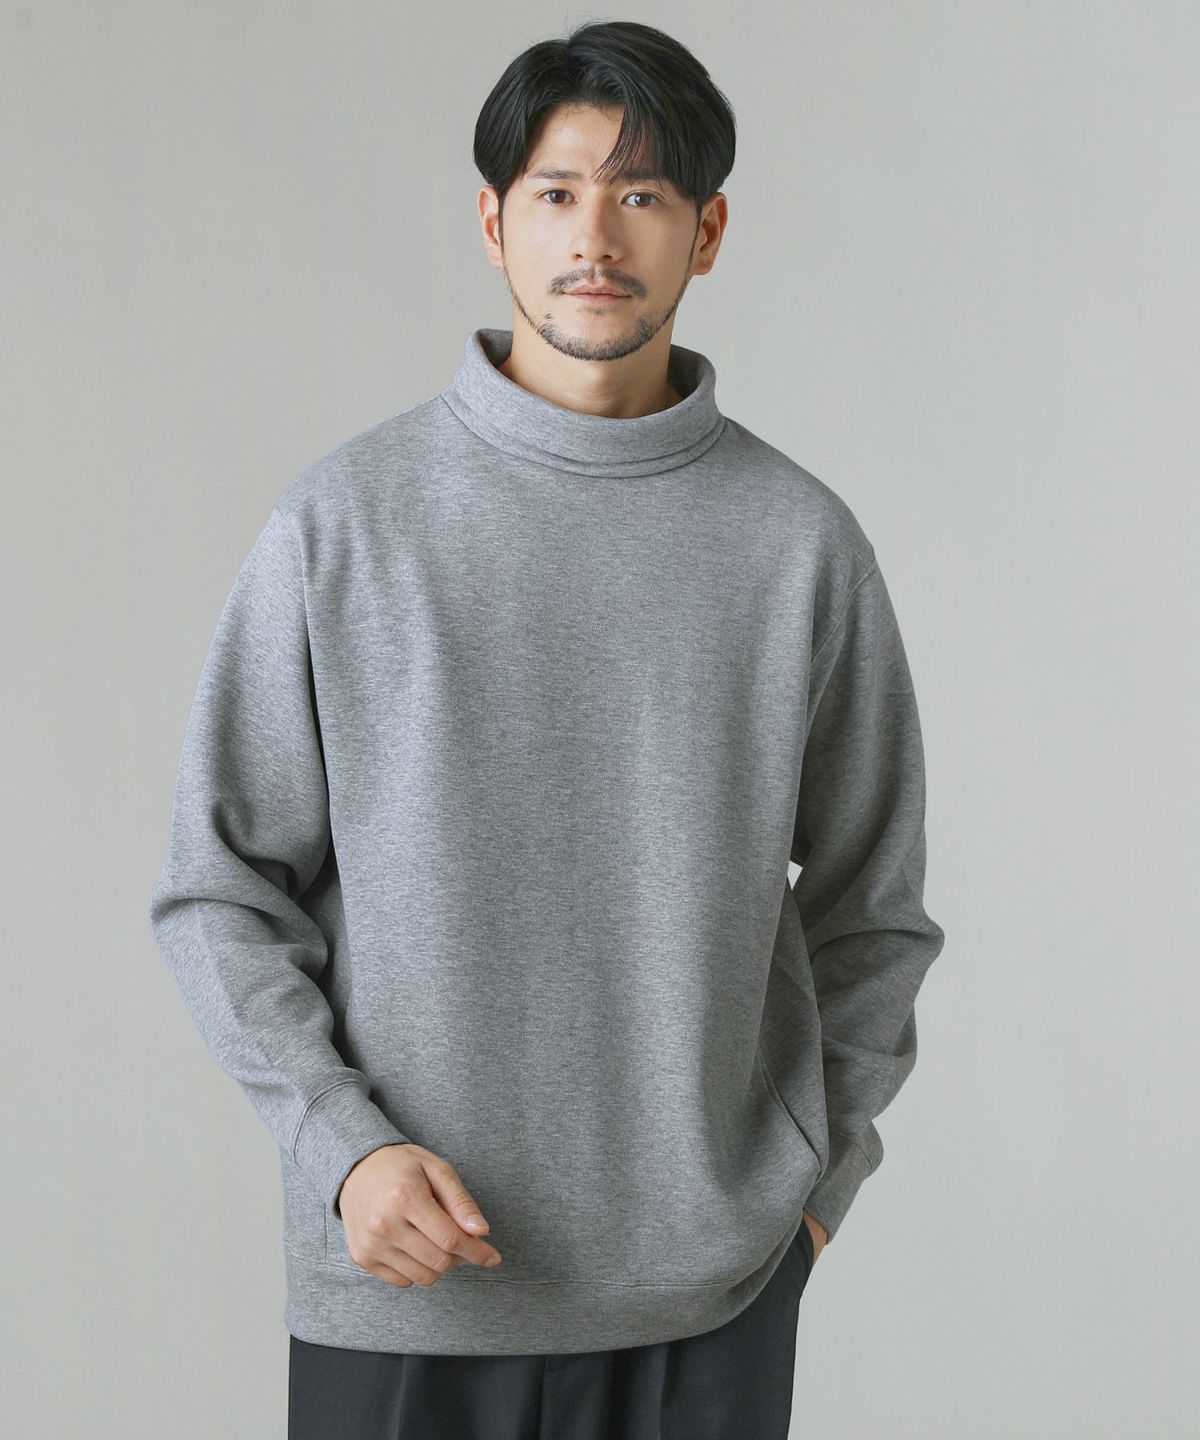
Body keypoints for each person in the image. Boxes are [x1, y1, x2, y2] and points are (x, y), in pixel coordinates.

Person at [148, 19, 945, 1440]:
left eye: (642, 195)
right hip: (410, 1291)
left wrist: (814, 1195)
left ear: (706, 234)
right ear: (493, 222)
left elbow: (874, 912)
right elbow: (218, 889)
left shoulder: (801, 548)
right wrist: (340, 1149)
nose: (596, 236)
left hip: (711, 1306)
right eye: (557, 192)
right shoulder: (344, 524)